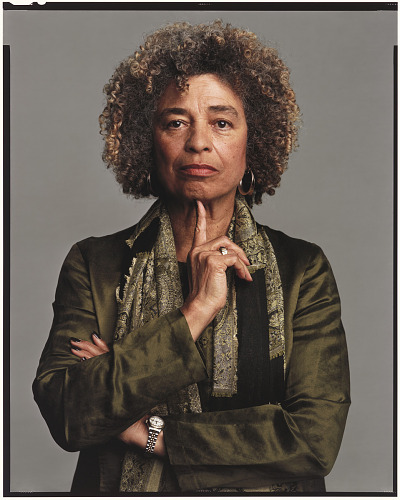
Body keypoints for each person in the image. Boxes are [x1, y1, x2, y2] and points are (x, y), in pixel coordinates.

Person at [33, 20, 350, 494]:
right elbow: (69, 412)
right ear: (147, 141)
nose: (198, 142)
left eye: (221, 122)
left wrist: (150, 432)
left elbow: (312, 440)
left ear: (253, 142)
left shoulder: (302, 269)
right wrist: (196, 311)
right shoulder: (95, 264)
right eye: (175, 122)